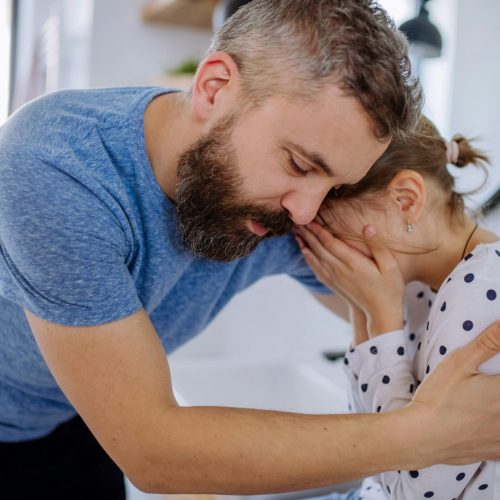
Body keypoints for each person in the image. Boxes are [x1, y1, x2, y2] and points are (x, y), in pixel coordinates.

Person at [1, 0, 500, 498]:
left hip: (77, 422)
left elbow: (425, 281)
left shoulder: (280, 207)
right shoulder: (54, 168)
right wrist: (427, 434)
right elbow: (153, 451)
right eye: (300, 165)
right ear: (214, 86)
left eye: (333, 186)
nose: (307, 212)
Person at [296, 116, 500, 499]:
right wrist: (364, 309)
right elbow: (367, 444)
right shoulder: (426, 280)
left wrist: (383, 316)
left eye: (334, 236)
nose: (337, 257)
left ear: (406, 200)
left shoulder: (478, 291)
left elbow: (408, 492)